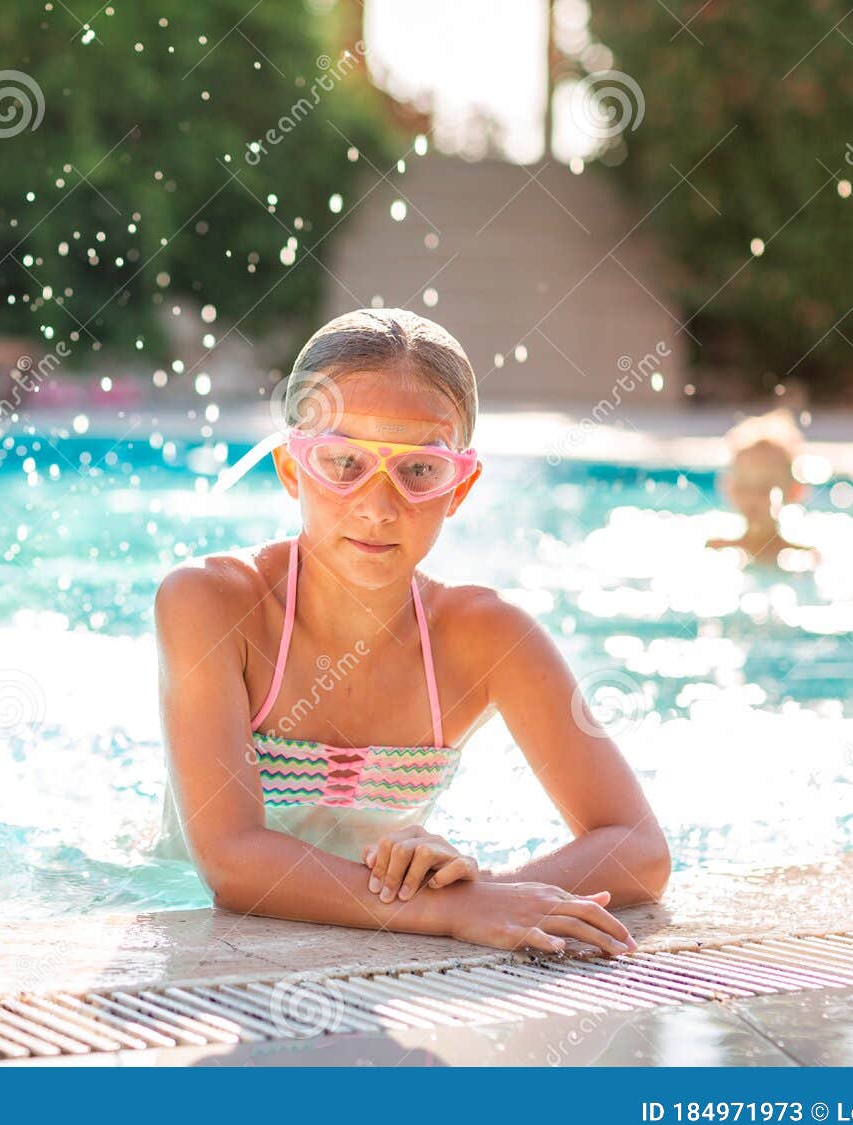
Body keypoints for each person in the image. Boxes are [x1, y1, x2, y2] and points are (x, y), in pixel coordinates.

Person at [152, 308, 669, 956]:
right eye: (343, 461)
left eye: (420, 470)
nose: (377, 504)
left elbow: (640, 848)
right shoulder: (210, 603)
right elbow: (230, 862)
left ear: (461, 486)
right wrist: (449, 910)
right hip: (175, 913)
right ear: (290, 469)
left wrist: (491, 892)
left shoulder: (485, 637)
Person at [704, 406, 820, 567]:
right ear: (729, 487)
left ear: (795, 490)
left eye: (765, 486)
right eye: (744, 485)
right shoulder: (714, 550)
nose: (753, 497)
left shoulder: (804, 557)